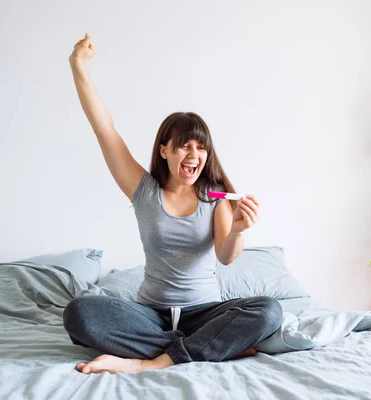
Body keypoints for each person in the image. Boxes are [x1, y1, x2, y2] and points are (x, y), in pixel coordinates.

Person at [62, 33, 283, 374]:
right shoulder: (143, 190)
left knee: (269, 312)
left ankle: (152, 362)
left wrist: (238, 230)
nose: (194, 154)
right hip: (151, 315)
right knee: (79, 313)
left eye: (201, 147)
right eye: (184, 145)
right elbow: (104, 129)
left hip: (205, 313)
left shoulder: (215, 195)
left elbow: (226, 256)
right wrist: (78, 65)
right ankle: (211, 347)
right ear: (165, 150)